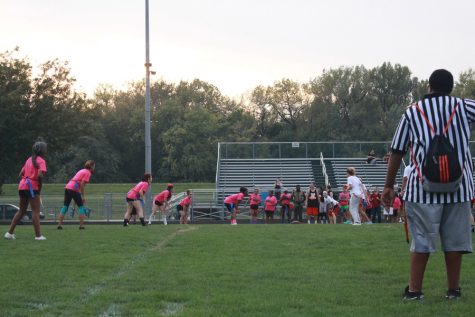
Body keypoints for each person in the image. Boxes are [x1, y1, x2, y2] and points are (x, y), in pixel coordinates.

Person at [383, 69, 475, 300]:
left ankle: (415, 291)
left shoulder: (412, 111)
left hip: (421, 189)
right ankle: (453, 291)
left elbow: (397, 150)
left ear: (429, 86)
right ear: (451, 87)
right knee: (455, 243)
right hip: (459, 187)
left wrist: (388, 185)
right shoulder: (465, 107)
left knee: (421, 240)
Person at [4, 141, 48, 241]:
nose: (46, 150)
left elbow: (21, 173)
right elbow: (40, 175)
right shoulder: (41, 160)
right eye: (45, 149)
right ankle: (38, 236)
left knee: (22, 210)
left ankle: (9, 233)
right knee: (35, 211)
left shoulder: (29, 159)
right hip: (32, 186)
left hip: (22, 185)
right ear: (42, 150)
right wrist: (39, 187)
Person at [57, 160, 95, 230]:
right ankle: (81, 226)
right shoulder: (88, 173)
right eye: (94, 166)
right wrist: (83, 197)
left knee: (65, 206)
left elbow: (77, 183)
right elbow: (82, 185)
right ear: (92, 166)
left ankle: (59, 225)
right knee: (81, 207)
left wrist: (77, 195)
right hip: (73, 188)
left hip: (68, 187)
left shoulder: (82, 170)